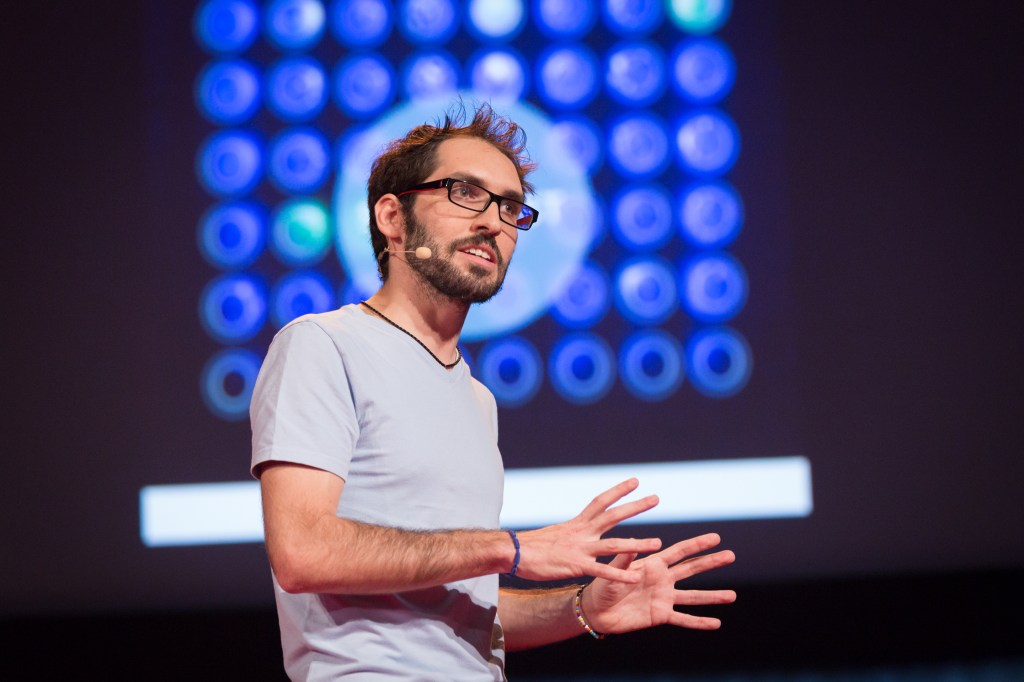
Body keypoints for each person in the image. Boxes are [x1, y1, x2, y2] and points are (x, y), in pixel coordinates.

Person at [250, 103, 736, 681]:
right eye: (465, 193)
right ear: (392, 217)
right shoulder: (323, 345)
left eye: (510, 207)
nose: (494, 222)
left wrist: (583, 608)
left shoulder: (476, 398)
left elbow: (453, 603)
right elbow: (304, 552)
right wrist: (509, 548)